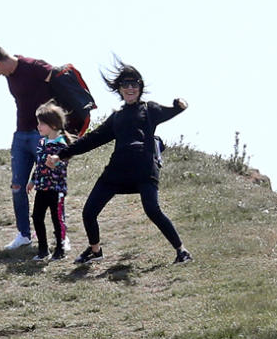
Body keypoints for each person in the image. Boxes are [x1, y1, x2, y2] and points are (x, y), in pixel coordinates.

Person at [46, 60, 193, 265]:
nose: (130, 88)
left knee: (152, 209)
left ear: (140, 87)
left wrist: (179, 105)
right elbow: (92, 139)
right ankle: (95, 251)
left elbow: (171, 110)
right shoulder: (117, 117)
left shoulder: (149, 109)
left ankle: (182, 251)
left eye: (134, 84)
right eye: (125, 84)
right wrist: (61, 155)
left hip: (143, 169)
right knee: (89, 212)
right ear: (119, 89)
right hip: (117, 171)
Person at [0, 45, 86, 251]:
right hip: (21, 136)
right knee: (17, 187)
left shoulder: (33, 66)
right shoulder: (9, 75)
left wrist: (61, 127)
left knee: (51, 186)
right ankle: (24, 235)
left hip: (42, 136)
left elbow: (62, 81)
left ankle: (61, 238)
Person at [27, 102, 72, 261]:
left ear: (53, 124)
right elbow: (38, 165)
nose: (38, 126)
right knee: (37, 217)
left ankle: (60, 250)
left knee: (57, 218)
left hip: (56, 189)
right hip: (42, 188)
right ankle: (43, 249)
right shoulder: (41, 143)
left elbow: (64, 164)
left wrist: (56, 163)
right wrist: (32, 180)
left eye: (42, 123)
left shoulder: (61, 144)